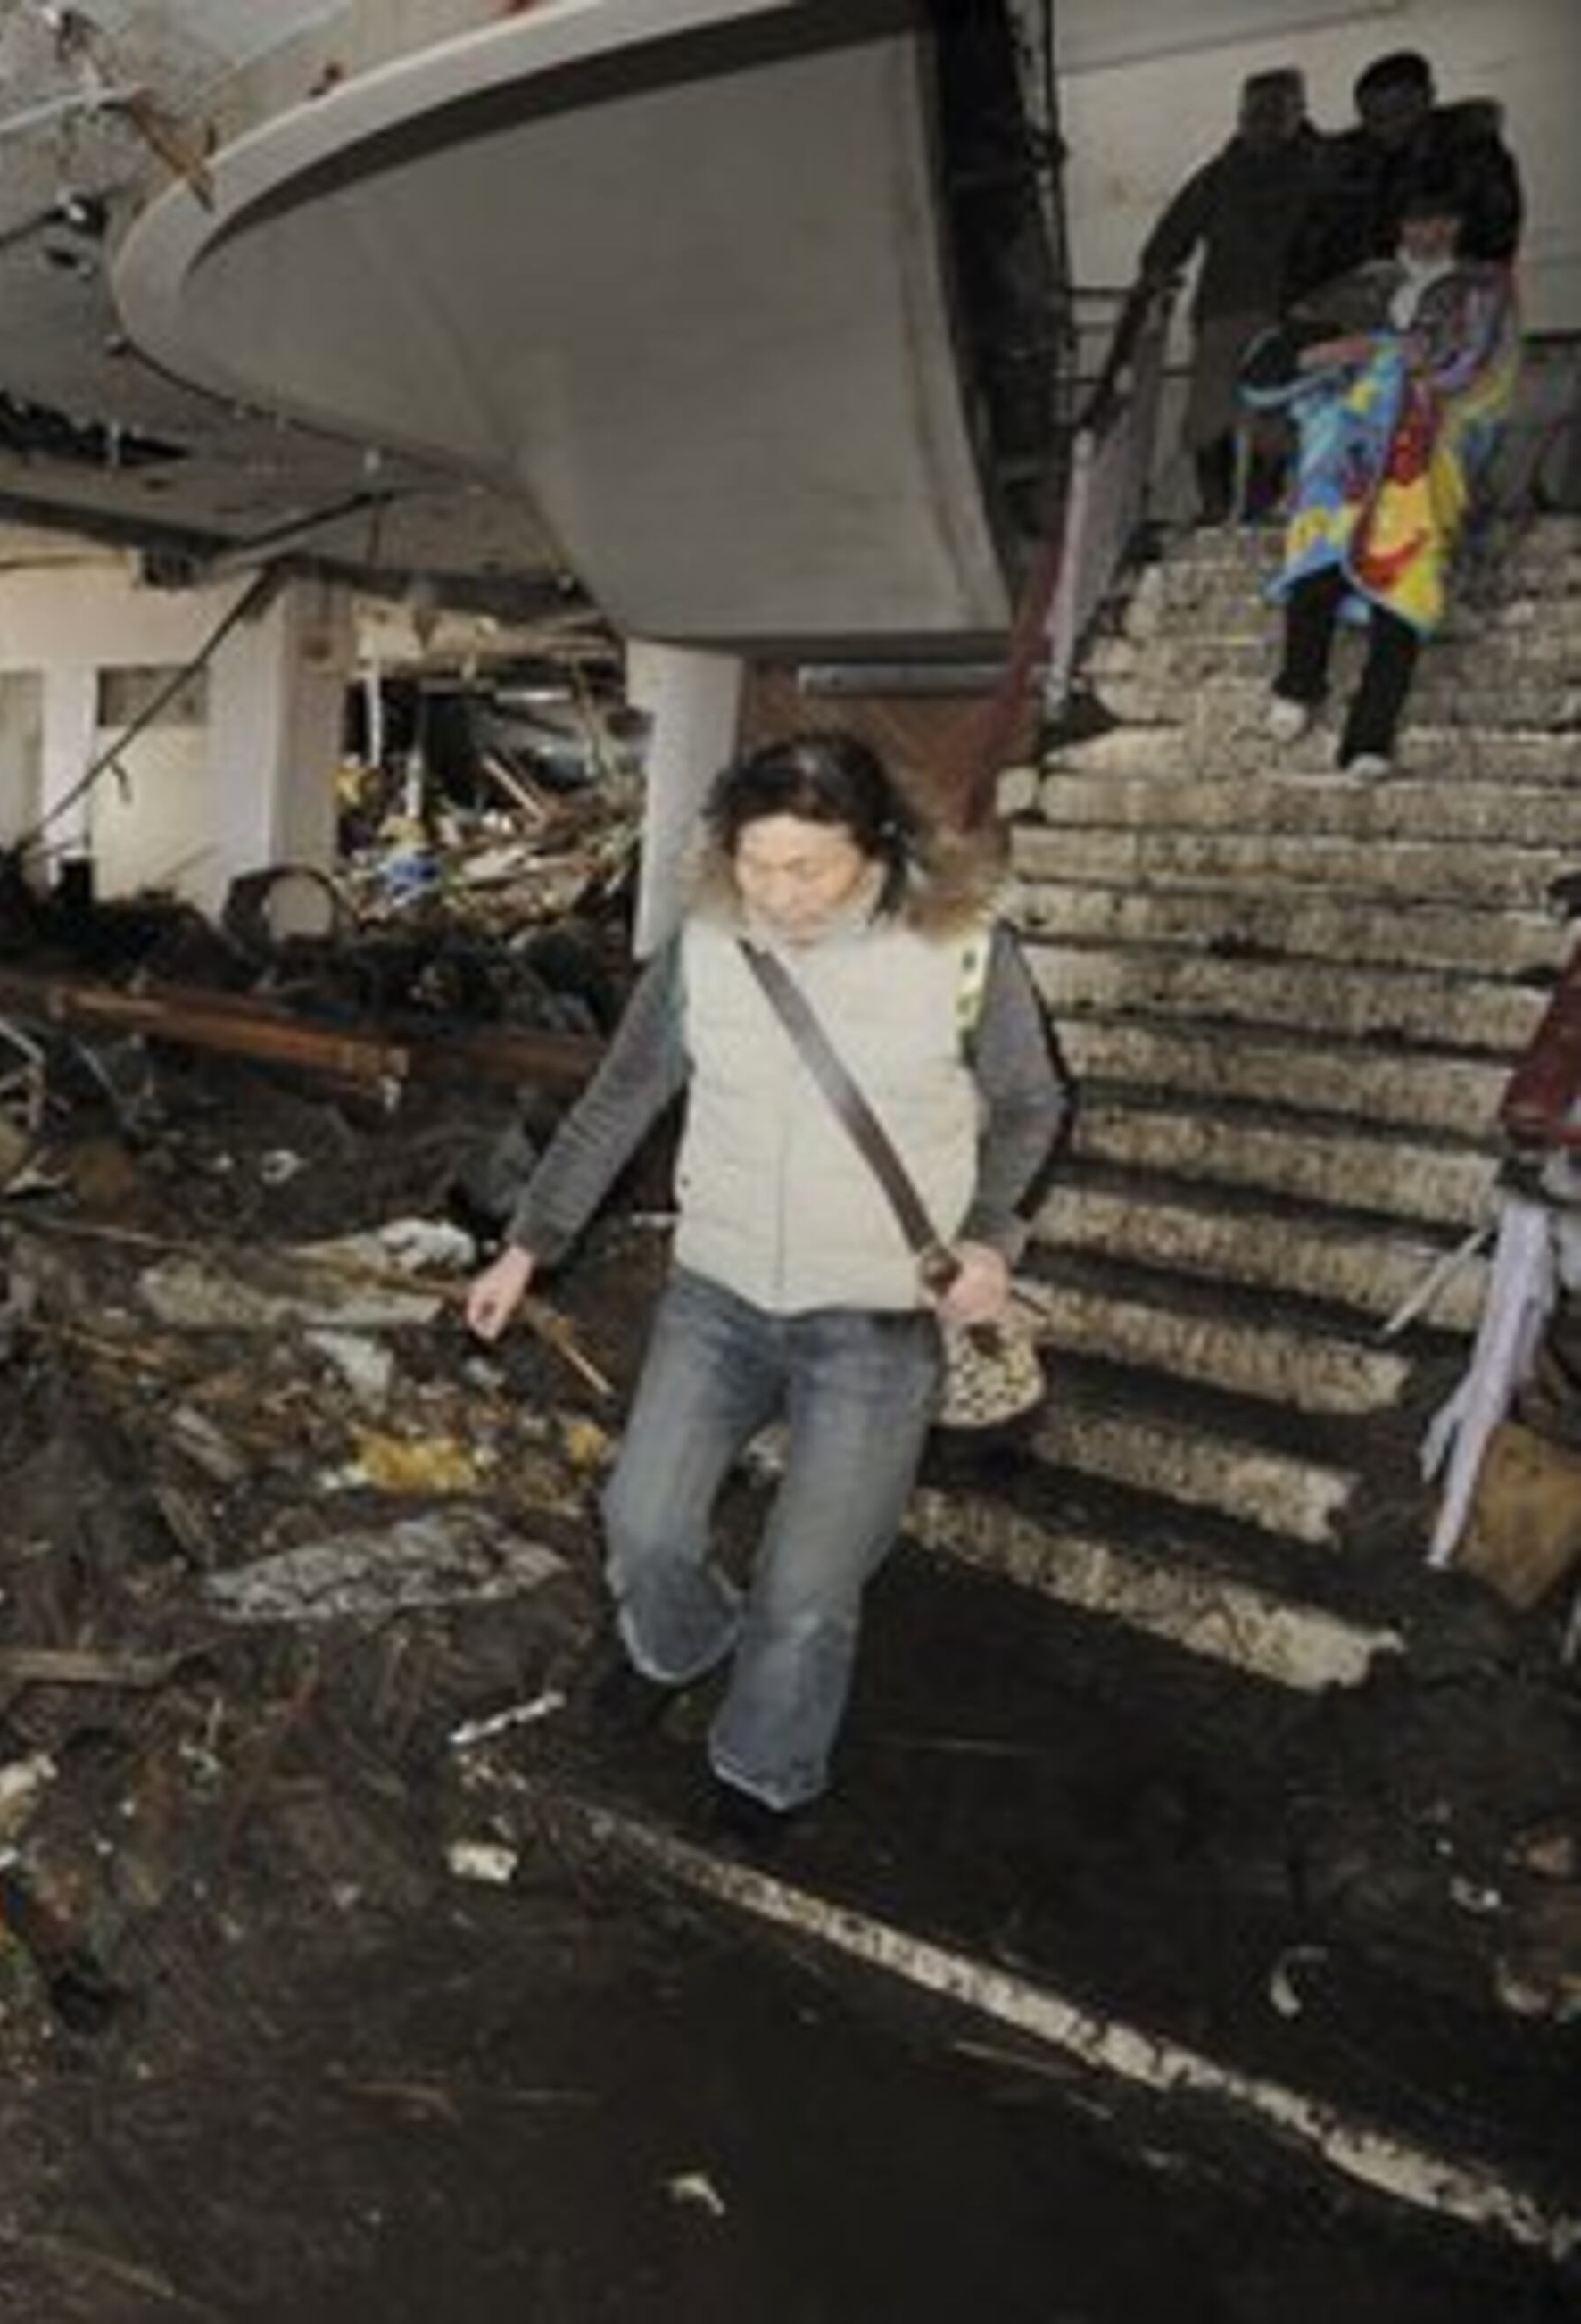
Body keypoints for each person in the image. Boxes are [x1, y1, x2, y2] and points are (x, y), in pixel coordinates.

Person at [463, 734, 1066, 1839]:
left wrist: (991, 1239)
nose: (781, 896)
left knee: (807, 1592)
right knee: (640, 1524)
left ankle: (763, 1769)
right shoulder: (706, 945)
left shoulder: (967, 954)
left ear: (876, 849)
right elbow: (621, 1097)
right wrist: (526, 1245)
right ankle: (684, 1642)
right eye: (758, 867)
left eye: (811, 870)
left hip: (880, 1322)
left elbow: (1034, 1106)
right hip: (720, 1295)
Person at [1251, 178, 1520, 780]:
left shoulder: (1486, 290)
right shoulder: (1353, 288)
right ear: (1399, 226)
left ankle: (1369, 738)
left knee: (1404, 584)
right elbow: (1273, 364)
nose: (1433, 232)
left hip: (1422, 460)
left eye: (1446, 220)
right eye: (1420, 220)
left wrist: (1431, 382)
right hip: (1343, 451)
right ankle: (1298, 685)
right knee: (1315, 567)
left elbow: (1491, 371)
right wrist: (1330, 359)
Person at [1138, 68, 1320, 522]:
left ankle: (1259, 512)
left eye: (1277, 112)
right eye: (1254, 113)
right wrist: (1157, 274)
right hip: (1223, 313)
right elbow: (1170, 237)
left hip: (1291, 316)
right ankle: (1215, 512)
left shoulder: (1323, 168)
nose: (1264, 123)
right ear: (1240, 115)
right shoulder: (1218, 175)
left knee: (1275, 424)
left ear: (1299, 111)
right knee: (1207, 420)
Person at [1288, 49, 1523, 302]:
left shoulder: (1471, 155)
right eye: (1372, 117)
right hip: (1362, 307)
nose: (1386, 127)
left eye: (1400, 111)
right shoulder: (1345, 161)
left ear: (1428, 98)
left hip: (1451, 303)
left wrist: (1439, 284)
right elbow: (1311, 241)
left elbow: (1495, 239)